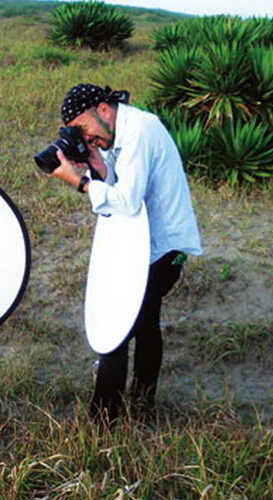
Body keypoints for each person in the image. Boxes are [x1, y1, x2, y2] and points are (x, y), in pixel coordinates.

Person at [49, 83, 202, 422]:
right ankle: (143, 403)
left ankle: (102, 424)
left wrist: (80, 181)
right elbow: (121, 184)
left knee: (116, 332)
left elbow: (128, 201)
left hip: (164, 249)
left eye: (83, 129)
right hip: (146, 245)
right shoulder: (123, 130)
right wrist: (95, 164)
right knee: (147, 323)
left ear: (103, 109)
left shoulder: (139, 132)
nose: (86, 138)